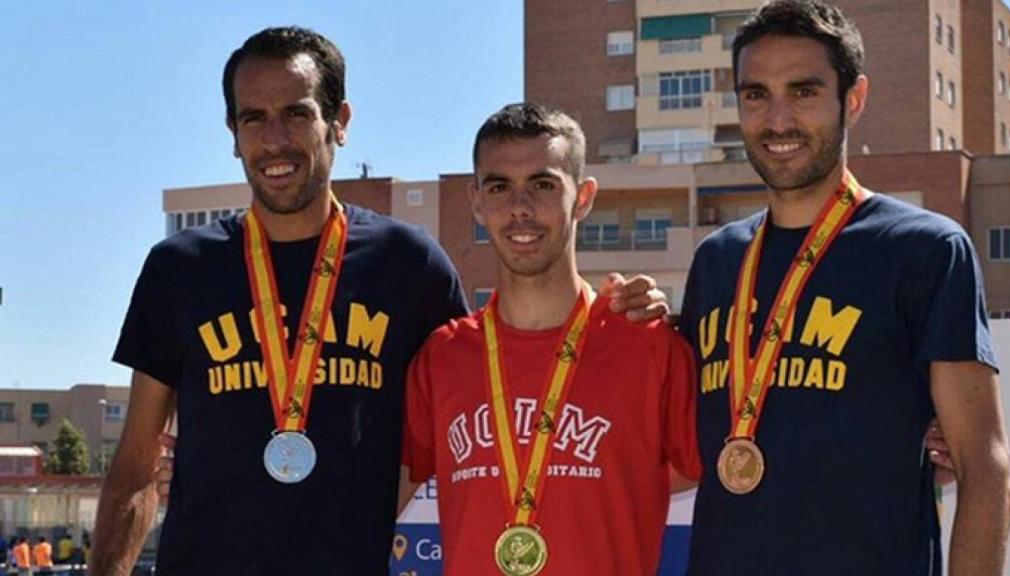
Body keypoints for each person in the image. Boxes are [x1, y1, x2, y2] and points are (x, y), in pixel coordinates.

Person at [92, 27, 666, 576]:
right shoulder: (179, 268)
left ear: (339, 122)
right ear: (232, 131)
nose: (275, 140)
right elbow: (135, 466)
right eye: (253, 118)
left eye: (297, 113)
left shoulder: (407, 264)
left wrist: (609, 316)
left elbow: (496, 375)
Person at [678, 1, 1010, 574]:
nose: (777, 120)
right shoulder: (716, 259)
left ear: (852, 99)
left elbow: (985, 470)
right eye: (756, 94)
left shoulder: (925, 250)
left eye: (804, 91)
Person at [399, 103, 702, 575]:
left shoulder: (649, 345)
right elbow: (385, 493)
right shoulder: (442, 357)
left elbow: (721, 483)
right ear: (476, 200)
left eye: (543, 185)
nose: (520, 208)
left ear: (583, 197)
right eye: (500, 187)